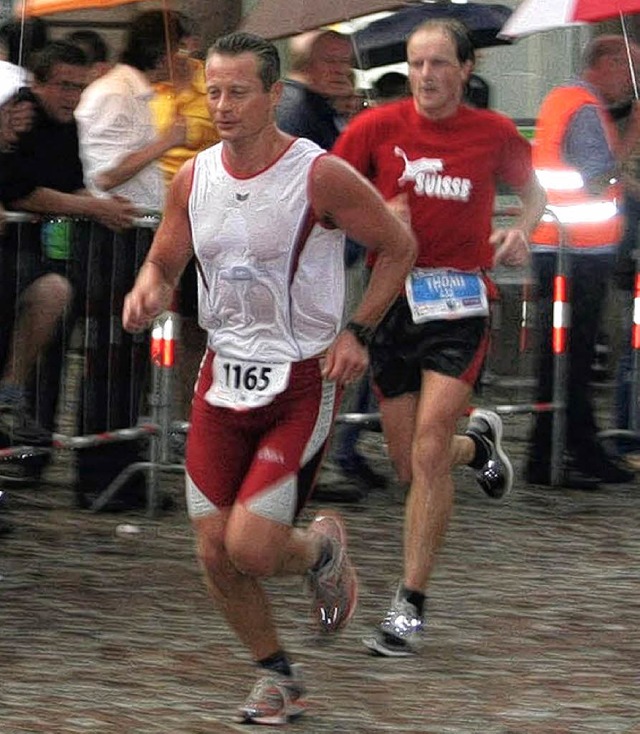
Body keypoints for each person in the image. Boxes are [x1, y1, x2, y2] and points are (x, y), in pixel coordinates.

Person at [122, 31, 416, 725]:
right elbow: (165, 260)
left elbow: (398, 248)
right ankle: (276, 676)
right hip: (221, 377)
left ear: (274, 95)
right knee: (212, 549)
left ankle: (319, 549)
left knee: (251, 547)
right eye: (215, 91)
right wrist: (149, 287)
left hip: (301, 380)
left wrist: (358, 330)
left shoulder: (319, 175)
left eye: (238, 92)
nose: (221, 106)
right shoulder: (194, 178)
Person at [332, 18, 546, 656]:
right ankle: (476, 442)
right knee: (409, 463)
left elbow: (532, 193)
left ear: (465, 67)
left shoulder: (494, 132)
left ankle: (408, 606)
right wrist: (375, 212)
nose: (427, 75)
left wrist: (521, 229)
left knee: (425, 452)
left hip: (460, 303)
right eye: (417, 64)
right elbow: (327, 198)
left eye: (439, 64)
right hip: (390, 304)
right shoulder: (376, 127)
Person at [0, 41, 137, 453]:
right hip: (15, 250)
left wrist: (100, 206)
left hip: (36, 254)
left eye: (80, 87)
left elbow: (66, 182)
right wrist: (94, 206)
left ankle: (11, 393)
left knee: (55, 293)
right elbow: (22, 192)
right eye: (64, 86)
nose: (73, 97)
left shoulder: (66, 124)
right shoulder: (23, 112)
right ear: (36, 85)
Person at [526, 34, 640, 487]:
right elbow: (596, 180)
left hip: (562, 247)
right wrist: (632, 135)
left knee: (565, 358)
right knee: (568, 359)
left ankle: (570, 448)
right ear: (607, 62)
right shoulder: (587, 109)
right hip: (574, 252)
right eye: (631, 69)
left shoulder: (564, 100)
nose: (634, 83)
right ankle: (558, 454)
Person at [150, 12, 220, 423]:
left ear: (189, 44)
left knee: (195, 323)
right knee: (156, 320)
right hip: (151, 218)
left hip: (202, 218)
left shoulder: (210, 87)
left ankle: (187, 414)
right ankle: (154, 415)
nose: (164, 57)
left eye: (170, 47)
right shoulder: (143, 88)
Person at [276, 29, 352, 150]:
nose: (341, 69)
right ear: (303, 63)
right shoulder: (298, 106)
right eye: (330, 61)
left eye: (345, 61)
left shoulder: (314, 102)